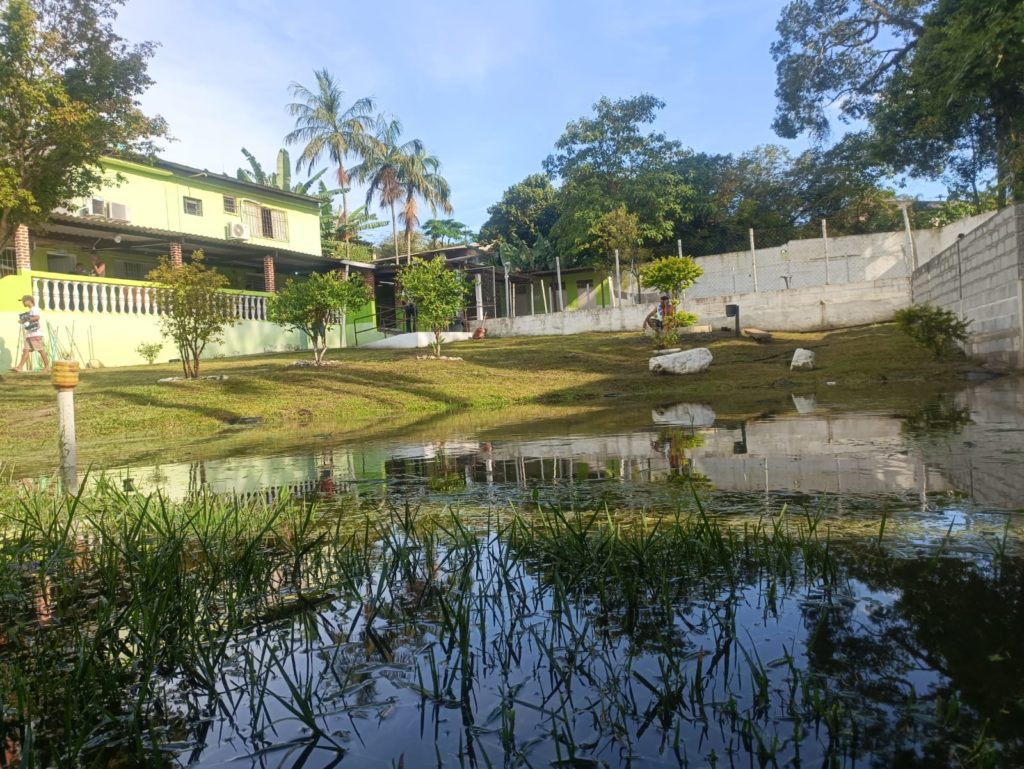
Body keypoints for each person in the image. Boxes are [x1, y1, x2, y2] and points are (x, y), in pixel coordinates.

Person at [12, 295, 50, 373]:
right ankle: (19, 367)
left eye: (24, 301)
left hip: (35, 333)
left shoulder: (34, 309)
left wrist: (24, 320)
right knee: (26, 350)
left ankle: (47, 367)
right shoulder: (31, 310)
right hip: (31, 333)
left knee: (40, 350)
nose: (23, 303)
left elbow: (37, 317)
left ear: (29, 301)